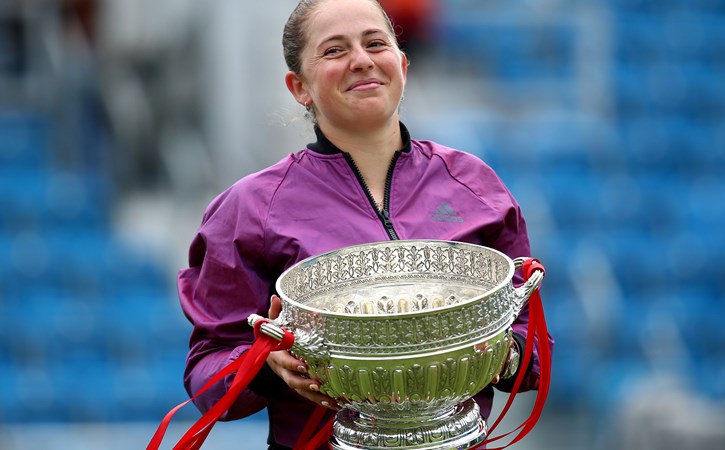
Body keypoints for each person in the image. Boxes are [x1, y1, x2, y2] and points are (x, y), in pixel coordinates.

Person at [177, 0, 554, 448]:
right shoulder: (250, 208)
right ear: (299, 86)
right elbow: (207, 372)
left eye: (376, 43)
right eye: (335, 51)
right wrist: (267, 366)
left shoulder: (474, 185)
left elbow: (532, 347)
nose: (361, 60)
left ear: (403, 64)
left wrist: (498, 355)